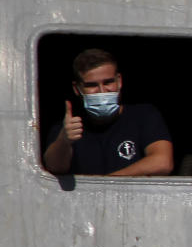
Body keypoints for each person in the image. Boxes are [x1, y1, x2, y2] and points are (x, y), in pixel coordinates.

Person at [43, 49, 174, 176]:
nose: (102, 91)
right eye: (92, 85)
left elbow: (162, 163)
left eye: (108, 82)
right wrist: (64, 140)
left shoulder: (144, 116)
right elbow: (54, 168)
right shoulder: (67, 127)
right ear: (77, 89)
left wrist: (108, 184)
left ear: (119, 81)